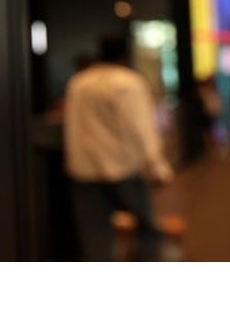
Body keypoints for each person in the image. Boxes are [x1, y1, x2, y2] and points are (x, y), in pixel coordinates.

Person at [63, 34, 174, 261]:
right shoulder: (129, 82)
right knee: (146, 229)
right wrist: (158, 166)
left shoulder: (79, 82)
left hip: (84, 169)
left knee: (95, 235)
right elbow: (141, 127)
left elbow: (72, 125)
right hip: (124, 167)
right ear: (125, 54)